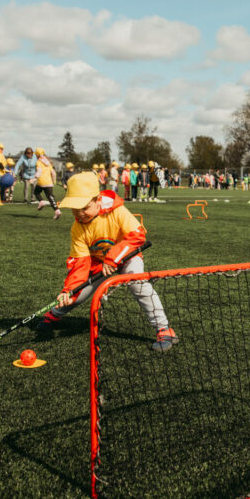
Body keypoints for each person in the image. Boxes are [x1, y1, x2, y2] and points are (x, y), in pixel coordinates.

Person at [38, 172, 178, 350]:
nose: (79, 214)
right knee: (77, 294)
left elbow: (137, 236)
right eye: (75, 209)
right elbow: (80, 263)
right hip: (99, 264)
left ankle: (164, 330)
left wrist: (112, 259)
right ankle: (54, 314)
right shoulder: (77, 228)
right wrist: (68, 290)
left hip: (127, 257)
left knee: (138, 284)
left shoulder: (117, 211)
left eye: (85, 207)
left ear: (97, 200)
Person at [32, 147, 61, 219]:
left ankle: (41, 202)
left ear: (37, 155)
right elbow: (53, 173)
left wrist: (34, 178)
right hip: (49, 183)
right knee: (51, 198)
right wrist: (54, 181)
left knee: (36, 192)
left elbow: (39, 172)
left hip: (41, 182)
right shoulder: (48, 163)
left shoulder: (38, 162)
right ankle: (57, 211)